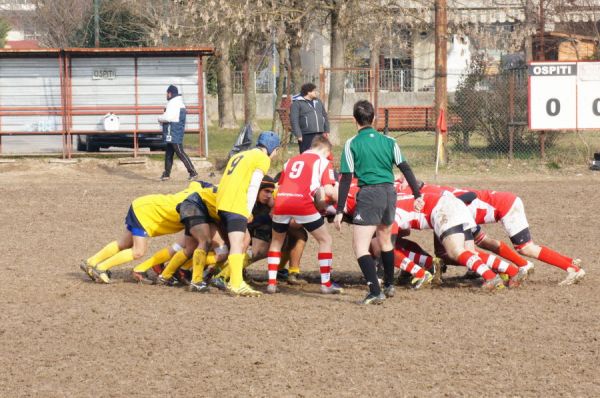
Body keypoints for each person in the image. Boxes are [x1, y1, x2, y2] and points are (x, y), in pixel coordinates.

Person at [334, 100, 424, 305]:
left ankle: (375, 291)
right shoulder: (390, 141)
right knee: (384, 240)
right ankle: (389, 285)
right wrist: (417, 195)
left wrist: (340, 210)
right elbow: (406, 168)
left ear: (354, 120)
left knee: (360, 247)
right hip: (389, 194)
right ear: (373, 119)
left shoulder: (351, 143)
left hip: (369, 195)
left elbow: (346, 179)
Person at [79, 181, 209, 283]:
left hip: (142, 204)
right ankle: (101, 268)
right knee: (138, 252)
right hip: (146, 213)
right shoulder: (199, 208)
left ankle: (91, 262)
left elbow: (199, 181)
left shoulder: (198, 189)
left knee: (124, 243)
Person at [267, 135, 342, 294]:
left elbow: (281, 186)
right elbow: (328, 190)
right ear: (325, 149)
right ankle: (326, 284)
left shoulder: (291, 161)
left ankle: (272, 283)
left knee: (276, 241)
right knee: (325, 239)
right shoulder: (323, 162)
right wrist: (341, 203)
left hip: (282, 202)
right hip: (302, 203)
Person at [216, 131, 280, 296]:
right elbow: (253, 186)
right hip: (235, 205)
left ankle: (226, 277)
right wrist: (247, 210)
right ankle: (236, 284)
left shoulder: (241, 155)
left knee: (245, 239)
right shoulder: (262, 159)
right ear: (271, 147)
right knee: (238, 244)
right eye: (276, 150)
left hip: (222, 202)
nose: (275, 154)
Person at [158, 85, 198, 181]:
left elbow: (168, 118)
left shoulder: (173, 103)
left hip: (173, 131)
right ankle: (166, 174)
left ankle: (193, 172)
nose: (166, 95)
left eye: (167, 93)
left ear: (170, 93)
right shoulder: (178, 102)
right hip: (174, 130)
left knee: (179, 152)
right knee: (169, 152)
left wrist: (159, 118)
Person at [289, 83, 329, 153]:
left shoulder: (318, 102)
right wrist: (298, 134)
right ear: (308, 92)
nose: (316, 92)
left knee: (319, 154)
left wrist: (326, 130)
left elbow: (324, 116)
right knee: (306, 154)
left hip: (319, 134)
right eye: (314, 91)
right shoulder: (297, 103)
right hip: (306, 135)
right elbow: (294, 120)